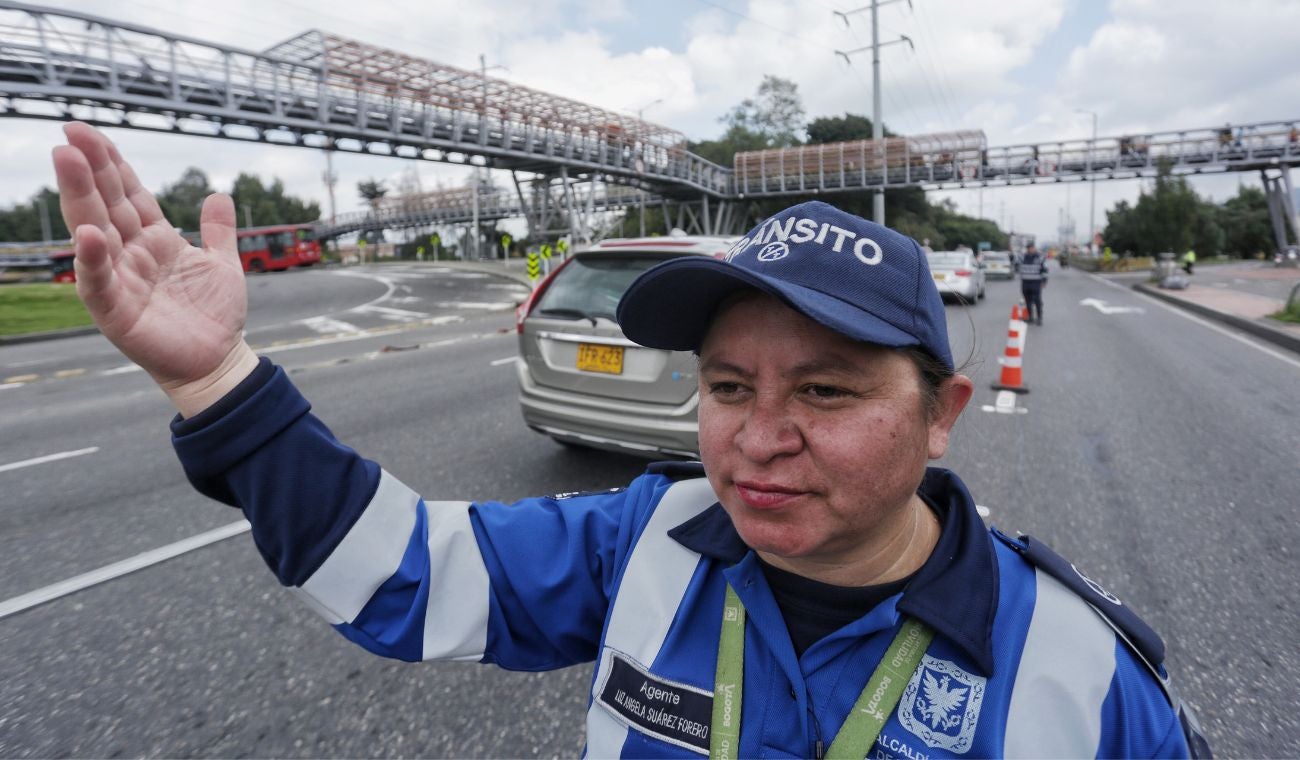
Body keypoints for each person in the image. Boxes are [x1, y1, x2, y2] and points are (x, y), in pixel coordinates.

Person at [51, 122, 1209, 758]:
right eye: (726, 385)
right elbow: (399, 572)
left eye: (824, 391)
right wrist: (219, 382)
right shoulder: (642, 539)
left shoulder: (1084, 674)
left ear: (940, 414)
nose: (759, 439)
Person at [1017, 242, 1048, 325]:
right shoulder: (1022, 257)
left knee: (1037, 300)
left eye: (1031, 248)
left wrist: (1044, 281)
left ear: (1034, 248)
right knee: (1028, 300)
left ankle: (1039, 318)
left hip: (1036, 282)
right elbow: (1016, 262)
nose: (1030, 249)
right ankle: (1030, 317)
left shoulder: (1040, 257)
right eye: (1028, 248)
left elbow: (1045, 270)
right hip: (1025, 282)